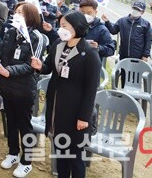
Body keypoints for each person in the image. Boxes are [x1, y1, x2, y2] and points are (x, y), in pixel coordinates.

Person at [0, 3, 46, 177]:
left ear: (30, 16)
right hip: (7, 87)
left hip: (24, 89)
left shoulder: (37, 37)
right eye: (15, 12)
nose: (16, 15)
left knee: (25, 125)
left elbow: (31, 66)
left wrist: (9, 71)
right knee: (11, 122)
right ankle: (13, 153)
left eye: (21, 13)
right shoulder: (10, 32)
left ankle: (26, 161)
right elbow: (0, 54)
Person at [30, 11, 101, 178]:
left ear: (77, 27)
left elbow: (91, 89)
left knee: (75, 156)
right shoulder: (58, 45)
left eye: (64, 26)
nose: (61, 29)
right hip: (57, 107)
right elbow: (49, 68)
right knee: (60, 151)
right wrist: (40, 65)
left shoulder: (89, 53)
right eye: (60, 25)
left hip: (76, 112)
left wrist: (84, 117)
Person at [102, 1, 152, 87]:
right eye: (134, 8)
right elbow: (113, 31)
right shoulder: (122, 21)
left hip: (138, 55)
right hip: (124, 54)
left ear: (143, 12)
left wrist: (145, 54)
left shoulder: (145, 24)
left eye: (138, 9)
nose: (135, 10)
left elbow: (149, 40)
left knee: (136, 76)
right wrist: (107, 22)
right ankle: (124, 94)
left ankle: (135, 96)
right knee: (124, 75)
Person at [79, 0, 115, 65]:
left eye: (89, 13)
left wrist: (98, 48)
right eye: (82, 12)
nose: (85, 15)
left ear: (95, 13)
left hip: (92, 66)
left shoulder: (102, 29)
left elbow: (111, 50)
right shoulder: (74, 25)